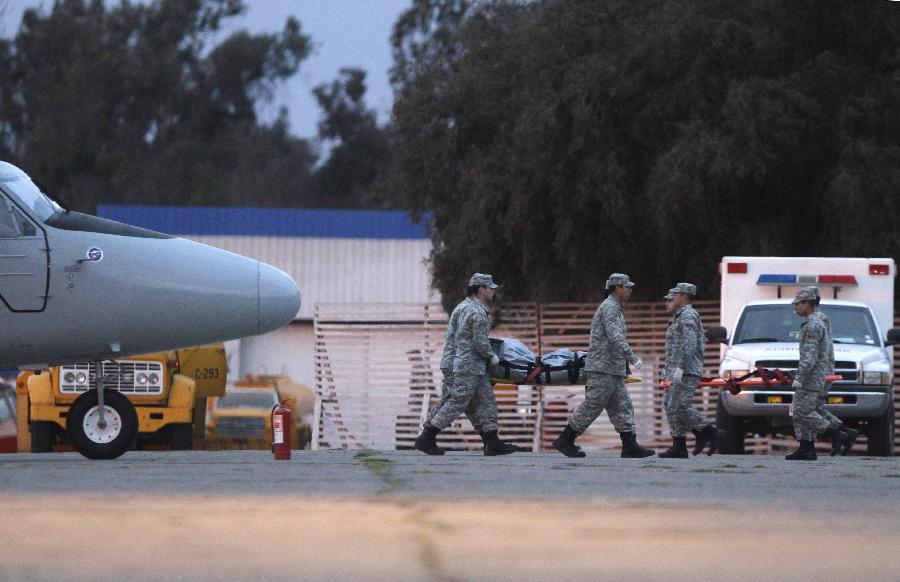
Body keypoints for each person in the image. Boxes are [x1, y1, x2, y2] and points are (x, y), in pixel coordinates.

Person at [415, 273, 521, 456]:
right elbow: (479, 342)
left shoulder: (462, 307)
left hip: (461, 363)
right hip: (468, 365)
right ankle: (427, 436)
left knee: (485, 402)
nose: (493, 292)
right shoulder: (477, 312)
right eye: (490, 288)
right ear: (481, 289)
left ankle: (492, 441)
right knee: (458, 401)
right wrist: (492, 357)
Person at [552, 273, 655, 458]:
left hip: (612, 369)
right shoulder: (609, 308)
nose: (630, 290)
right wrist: (632, 358)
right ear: (616, 288)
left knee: (622, 406)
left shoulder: (615, 308)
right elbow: (616, 337)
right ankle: (565, 439)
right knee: (593, 405)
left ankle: (629, 444)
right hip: (602, 368)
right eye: (627, 286)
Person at [787, 286, 859, 460]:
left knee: (801, 412)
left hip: (812, 376)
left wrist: (799, 378)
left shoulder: (812, 324)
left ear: (807, 304)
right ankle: (810, 447)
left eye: (798, 304)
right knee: (813, 409)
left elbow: (809, 356)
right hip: (821, 373)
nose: (795, 307)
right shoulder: (821, 319)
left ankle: (836, 434)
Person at [658, 283, 725, 458]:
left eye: (675, 296)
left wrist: (680, 368)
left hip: (686, 370)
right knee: (671, 406)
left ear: (684, 297)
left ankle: (710, 432)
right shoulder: (679, 317)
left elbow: (689, 345)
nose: (671, 299)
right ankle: (679, 445)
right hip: (677, 369)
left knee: (680, 406)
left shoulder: (688, 315)